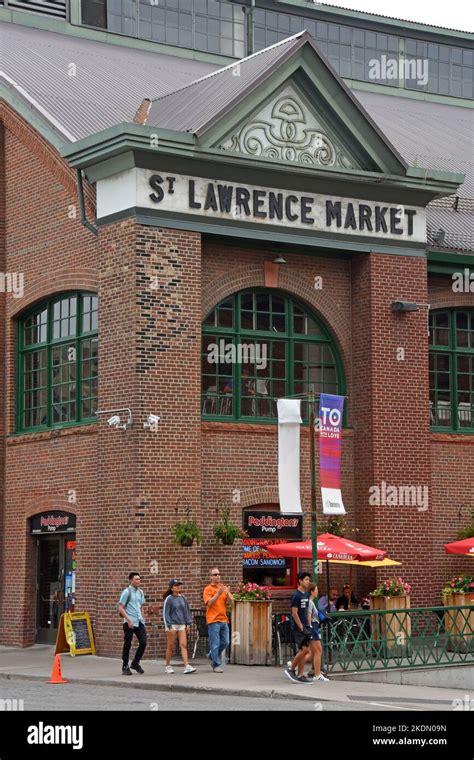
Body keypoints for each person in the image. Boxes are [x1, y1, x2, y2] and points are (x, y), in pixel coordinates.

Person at [162, 579, 196, 675]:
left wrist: (188, 623)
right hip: (172, 624)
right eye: (176, 585)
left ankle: (187, 666)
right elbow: (165, 613)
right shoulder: (169, 599)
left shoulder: (183, 598)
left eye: (179, 585)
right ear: (172, 588)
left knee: (183, 645)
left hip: (181, 624)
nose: (178, 587)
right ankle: (168, 666)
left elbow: (187, 611)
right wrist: (169, 626)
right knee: (170, 646)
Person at [203, 568, 233, 673]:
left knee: (226, 642)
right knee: (214, 643)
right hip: (213, 620)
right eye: (215, 574)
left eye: (219, 574)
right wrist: (218, 594)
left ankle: (211, 655)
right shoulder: (208, 589)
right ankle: (216, 664)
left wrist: (228, 594)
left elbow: (231, 603)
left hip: (223, 619)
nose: (217, 576)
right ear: (211, 577)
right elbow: (209, 603)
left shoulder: (223, 588)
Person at [285, 572, 312, 684]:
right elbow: (294, 613)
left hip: (305, 626)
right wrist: (301, 626)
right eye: (306, 579)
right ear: (300, 581)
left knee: (304, 650)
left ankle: (301, 675)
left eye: (309, 580)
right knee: (305, 650)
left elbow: (306, 611)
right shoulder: (296, 595)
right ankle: (291, 669)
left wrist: (308, 625)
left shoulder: (305, 594)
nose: (308, 582)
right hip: (298, 627)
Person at [119, 572, 147, 675]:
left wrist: (143, 618)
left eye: (139, 579)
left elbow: (141, 606)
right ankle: (125, 665)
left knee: (143, 642)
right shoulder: (127, 592)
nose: (139, 581)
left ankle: (135, 662)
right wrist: (128, 619)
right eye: (137, 579)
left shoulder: (140, 592)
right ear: (131, 580)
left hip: (139, 621)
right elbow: (120, 607)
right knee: (128, 644)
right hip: (129, 622)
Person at [307, 584, 330, 682]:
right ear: (312, 591)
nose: (317, 592)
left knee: (312, 653)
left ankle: (293, 665)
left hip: (313, 628)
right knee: (318, 651)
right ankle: (317, 674)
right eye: (316, 590)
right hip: (313, 628)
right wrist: (310, 628)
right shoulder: (310, 603)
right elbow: (309, 616)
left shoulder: (310, 602)